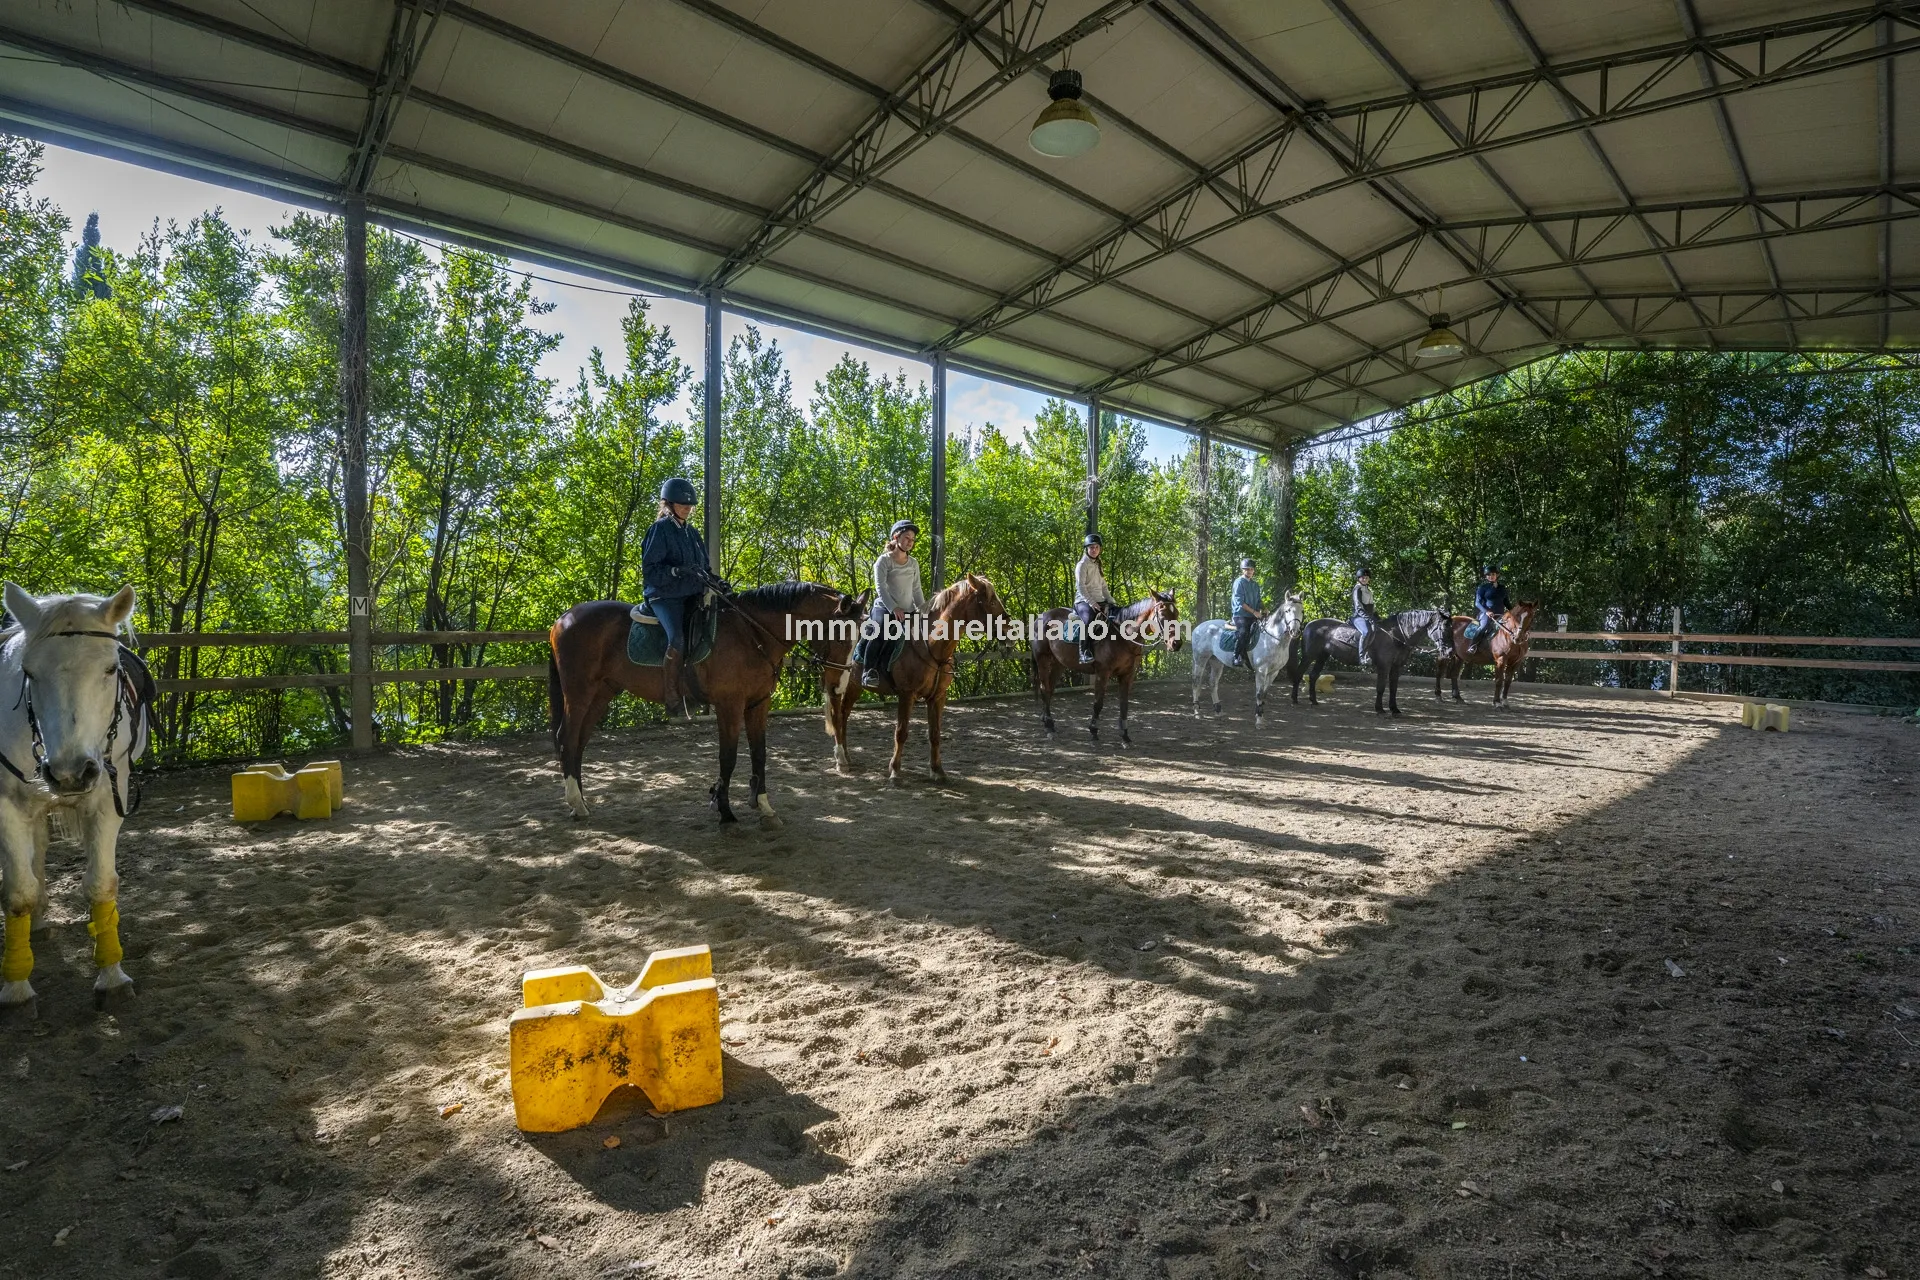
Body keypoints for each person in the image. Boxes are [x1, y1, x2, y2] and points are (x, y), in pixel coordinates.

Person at [640, 477, 708, 716]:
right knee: (677, 639)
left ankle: (695, 690)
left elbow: (704, 567)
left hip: (690, 595)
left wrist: (715, 581)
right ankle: (671, 697)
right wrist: (674, 571)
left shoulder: (692, 533)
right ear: (668, 504)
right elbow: (650, 570)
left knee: (706, 634)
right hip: (664, 597)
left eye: (690, 505)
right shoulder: (659, 530)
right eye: (682, 504)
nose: (687, 508)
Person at [861, 519, 928, 690]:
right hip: (884, 608)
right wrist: (893, 608)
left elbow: (916, 589)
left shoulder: (913, 563)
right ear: (896, 537)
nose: (910, 542)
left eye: (912, 539)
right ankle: (869, 672)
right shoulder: (883, 561)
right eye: (907, 538)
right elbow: (880, 588)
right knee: (880, 632)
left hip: (908, 610)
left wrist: (923, 610)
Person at [1074, 532, 1118, 665]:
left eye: (1096, 547)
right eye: (1091, 547)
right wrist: (1092, 603)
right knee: (1088, 620)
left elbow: (1104, 587)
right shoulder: (1082, 565)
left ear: (1100, 549)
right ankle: (1084, 652)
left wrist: (1112, 602)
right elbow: (1081, 587)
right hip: (1083, 601)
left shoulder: (1098, 564)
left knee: (1117, 618)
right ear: (1086, 549)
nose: (1094, 550)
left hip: (1100, 600)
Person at [1229, 557, 1265, 668]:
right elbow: (1240, 602)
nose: (1250, 571)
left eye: (1251, 569)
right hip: (1240, 615)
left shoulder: (1255, 584)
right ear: (1243, 570)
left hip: (1253, 615)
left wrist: (1264, 608)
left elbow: (1258, 600)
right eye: (1247, 569)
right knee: (1244, 632)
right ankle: (1236, 656)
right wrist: (1254, 612)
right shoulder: (1239, 582)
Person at [1468, 564, 1511, 643]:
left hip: (1500, 614)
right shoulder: (1482, 588)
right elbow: (1477, 603)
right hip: (1487, 614)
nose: (1491, 576)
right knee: (1483, 626)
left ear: (1497, 575)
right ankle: (1472, 645)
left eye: (1493, 574)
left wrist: (1513, 612)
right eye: (1488, 575)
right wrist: (1486, 612)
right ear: (1486, 576)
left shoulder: (1502, 588)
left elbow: (1506, 602)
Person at [1351, 566, 1377, 668]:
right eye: (1362, 577)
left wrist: (1376, 616)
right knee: (1366, 631)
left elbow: (1371, 606)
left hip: (1368, 616)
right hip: (1358, 617)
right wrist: (1368, 618)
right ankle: (1361, 657)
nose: (1365, 579)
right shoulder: (1357, 589)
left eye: (1366, 578)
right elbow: (1358, 607)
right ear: (1359, 578)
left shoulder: (1368, 590)